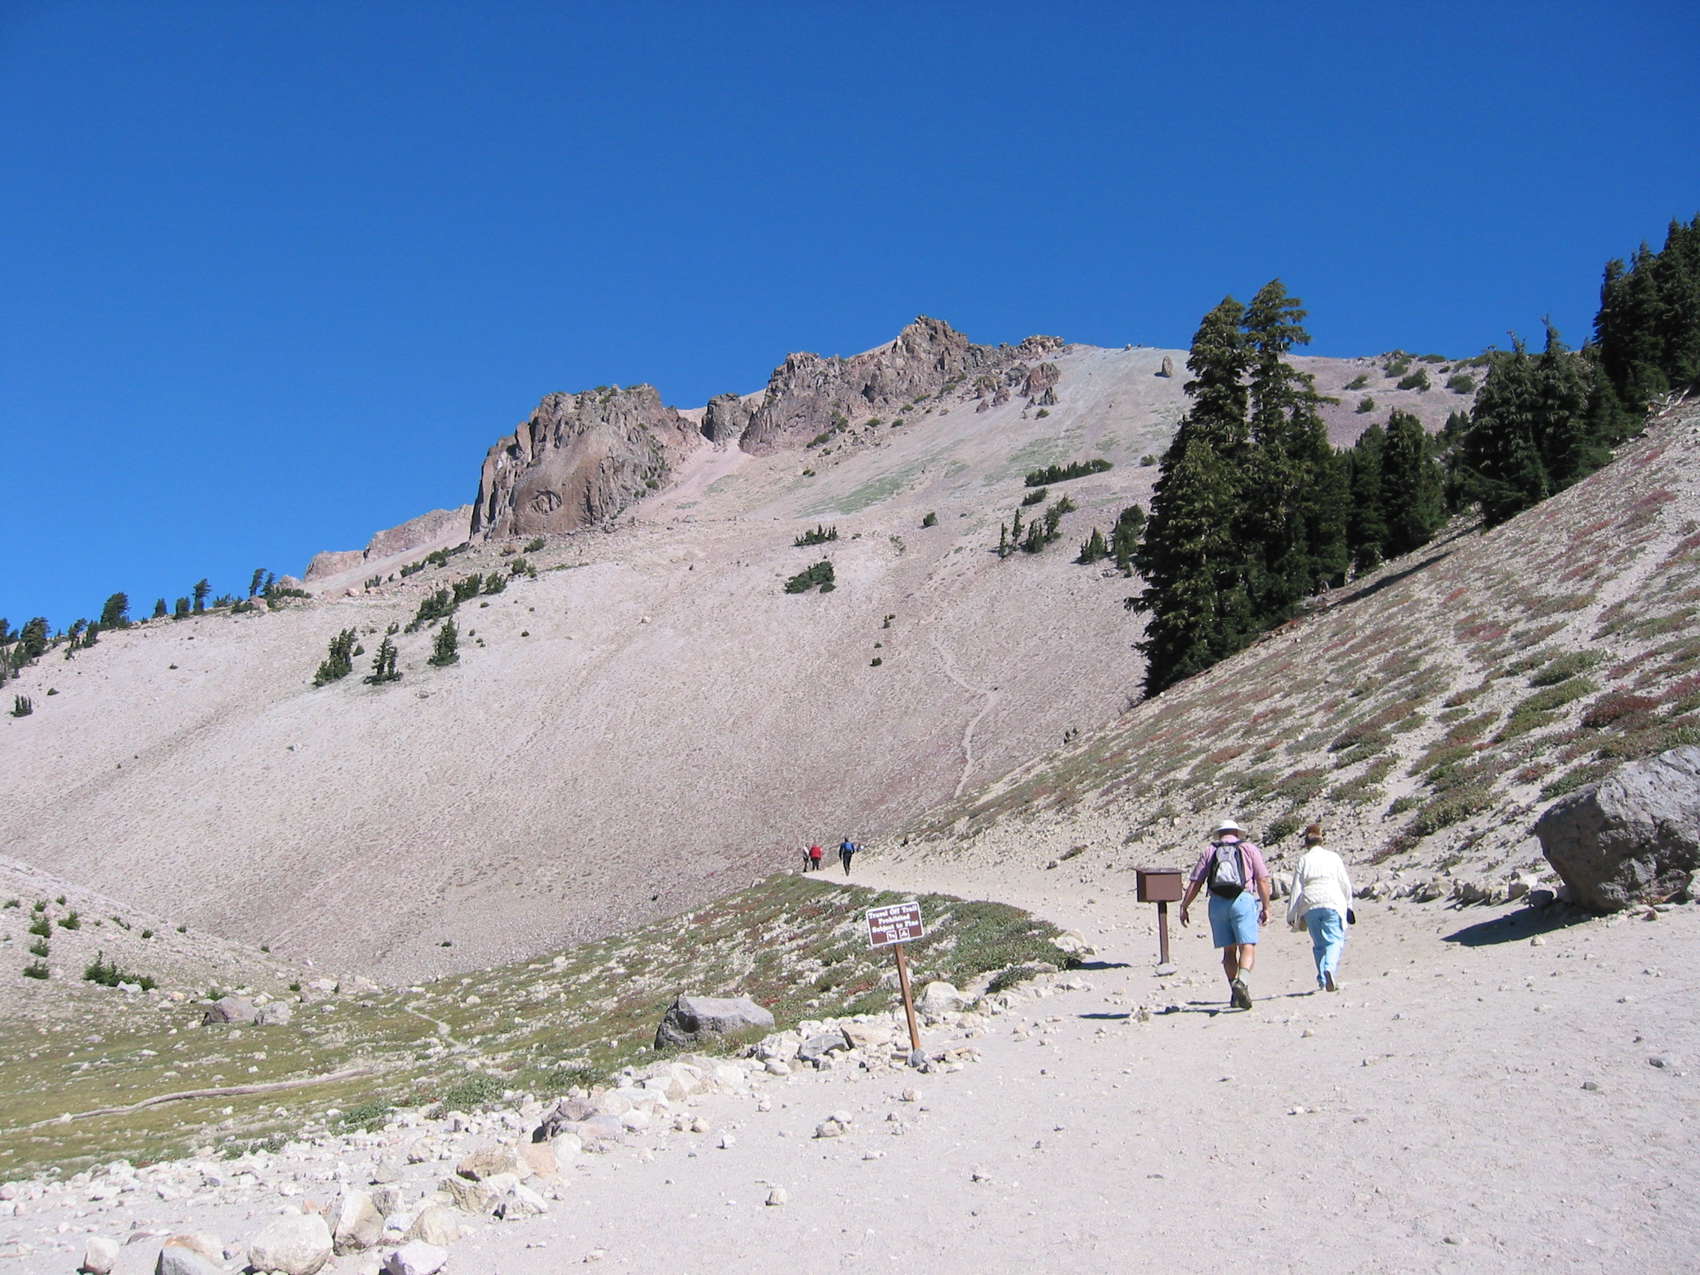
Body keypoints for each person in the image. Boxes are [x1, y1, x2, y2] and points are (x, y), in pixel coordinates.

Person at [1178, 817, 1271, 1009]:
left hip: (1217, 903)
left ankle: (1234, 992)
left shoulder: (1210, 850)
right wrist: (1266, 906)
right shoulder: (1249, 849)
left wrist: (1185, 905)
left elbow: (1196, 881)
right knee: (1247, 946)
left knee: (1229, 951)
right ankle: (1242, 982)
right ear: (1237, 832)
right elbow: (1262, 879)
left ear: (1219, 834)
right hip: (1242, 899)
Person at [1286, 822, 1353, 992]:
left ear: (1306, 841)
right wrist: (1349, 905)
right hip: (1332, 900)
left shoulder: (1303, 860)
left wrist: (1291, 914)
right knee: (1335, 939)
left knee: (1319, 944)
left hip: (1310, 902)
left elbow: (1296, 888)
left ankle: (1323, 980)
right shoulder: (1333, 857)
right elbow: (1345, 884)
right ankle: (1329, 969)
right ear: (1322, 839)